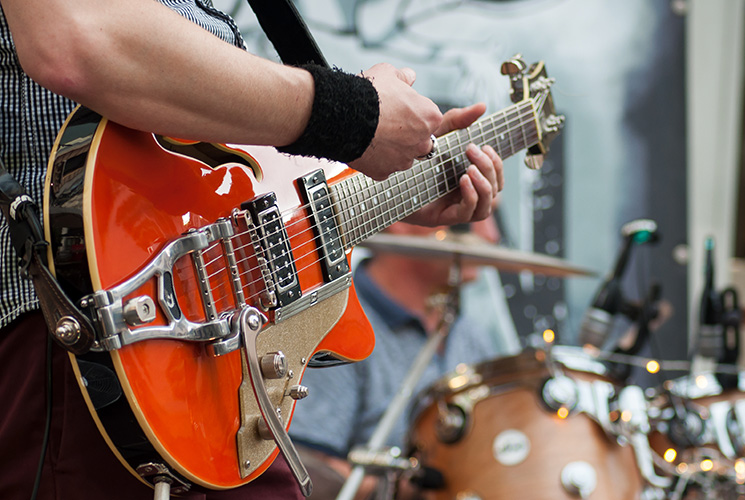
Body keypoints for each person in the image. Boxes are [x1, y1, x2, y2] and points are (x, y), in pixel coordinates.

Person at [0, 1, 503, 499]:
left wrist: (392, 189)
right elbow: (76, 37)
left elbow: (234, 180)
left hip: (227, 382)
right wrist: (353, 114)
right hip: (74, 339)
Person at [289, 217, 503, 500]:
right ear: (401, 220)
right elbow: (303, 469)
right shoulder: (335, 328)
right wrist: (397, 491)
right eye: (470, 215)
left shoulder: (472, 336)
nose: (491, 234)